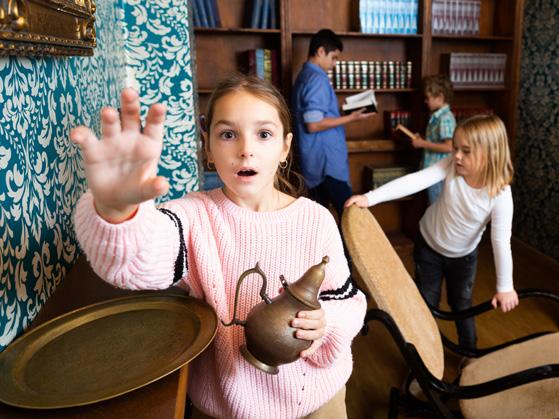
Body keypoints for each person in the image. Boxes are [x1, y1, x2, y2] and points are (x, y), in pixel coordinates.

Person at [71, 74, 366, 418]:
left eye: (264, 134)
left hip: (316, 399)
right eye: (228, 134)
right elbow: (137, 260)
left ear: (285, 148)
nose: (245, 149)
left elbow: (346, 301)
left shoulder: (316, 220)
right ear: (208, 148)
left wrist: (326, 322)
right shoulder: (193, 217)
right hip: (226, 407)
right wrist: (118, 212)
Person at [345, 114, 519, 350]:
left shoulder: (500, 195)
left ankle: (469, 352)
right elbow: (417, 180)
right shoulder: (452, 165)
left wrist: (505, 287)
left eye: (466, 151)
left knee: (462, 305)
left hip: (463, 257)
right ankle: (423, 353)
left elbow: (501, 242)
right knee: (425, 304)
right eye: (455, 148)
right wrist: (370, 198)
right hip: (429, 247)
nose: (456, 155)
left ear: (490, 154)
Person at [292, 28, 375, 221]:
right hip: (326, 163)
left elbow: (314, 115)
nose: (335, 64)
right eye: (334, 58)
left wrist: (339, 111)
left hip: (312, 160)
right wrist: (352, 118)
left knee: (320, 219)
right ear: (321, 51)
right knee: (350, 216)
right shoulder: (318, 79)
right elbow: (313, 124)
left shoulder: (304, 76)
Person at [408, 74, 456, 204]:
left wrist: (422, 144)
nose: (425, 101)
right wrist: (422, 139)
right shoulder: (436, 116)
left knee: (437, 205)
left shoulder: (445, 118)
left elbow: (449, 146)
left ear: (439, 97)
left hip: (439, 172)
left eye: (428, 98)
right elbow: (436, 140)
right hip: (432, 171)